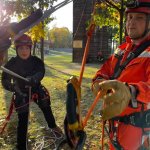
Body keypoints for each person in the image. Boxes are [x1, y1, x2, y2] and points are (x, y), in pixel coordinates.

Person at [92, 0, 150, 149]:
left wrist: (131, 91)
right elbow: (105, 70)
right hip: (114, 127)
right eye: (130, 17)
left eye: (139, 18)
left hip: (139, 135)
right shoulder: (122, 50)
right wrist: (98, 81)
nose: (131, 22)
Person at [1, 34, 62, 150]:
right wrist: (12, 86)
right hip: (20, 92)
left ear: (30, 48)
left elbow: (41, 71)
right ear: (17, 49)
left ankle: (53, 127)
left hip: (36, 88)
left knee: (46, 107)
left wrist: (34, 78)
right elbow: (4, 80)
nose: (24, 51)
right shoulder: (12, 64)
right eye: (21, 48)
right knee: (23, 119)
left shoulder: (36, 61)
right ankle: (21, 146)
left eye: (26, 48)